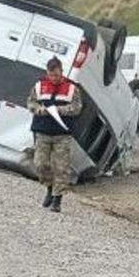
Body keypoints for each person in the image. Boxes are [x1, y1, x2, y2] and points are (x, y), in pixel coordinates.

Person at [27, 56, 81, 213]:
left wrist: (60, 110)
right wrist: (38, 109)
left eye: (56, 75)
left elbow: (77, 107)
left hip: (62, 134)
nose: (54, 78)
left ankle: (57, 199)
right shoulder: (39, 86)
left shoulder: (72, 88)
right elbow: (30, 102)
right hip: (42, 131)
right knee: (40, 164)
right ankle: (49, 187)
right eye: (51, 75)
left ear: (62, 72)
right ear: (47, 73)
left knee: (61, 168)